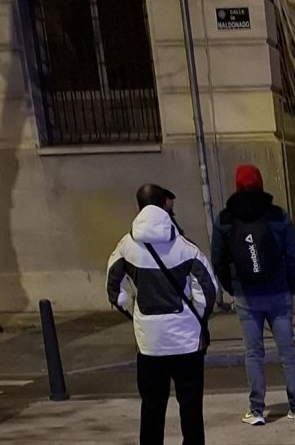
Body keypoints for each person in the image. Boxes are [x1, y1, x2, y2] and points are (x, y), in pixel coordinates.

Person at [107, 184, 219, 445]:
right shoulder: (184, 246)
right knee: (190, 407)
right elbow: (208, 290)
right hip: (186, 342)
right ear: (164, 206)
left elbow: (114, 288)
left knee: (152, 407)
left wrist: (135, 313)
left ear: (139, 207)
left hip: (150, 343)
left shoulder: (126, 246)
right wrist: (196, 319)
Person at [211, 164, 295, 425]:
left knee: (253, 353)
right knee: (288, 351)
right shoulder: (278, 215)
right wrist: (291, 285)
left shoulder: (225, 219)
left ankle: (256, 410)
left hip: (246, 296)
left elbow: (218, 260)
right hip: (278, 292)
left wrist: (232, 287)